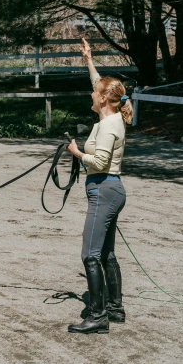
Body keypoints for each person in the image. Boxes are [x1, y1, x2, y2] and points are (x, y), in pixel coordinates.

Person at [64, 37, 133, 334]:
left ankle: (97, 316)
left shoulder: (107, 127)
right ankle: (115, 308)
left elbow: (100, 161)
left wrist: (77, 153)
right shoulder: (114, 115)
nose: (91, 95)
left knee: (89, 254)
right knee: (106, 254)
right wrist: (89, 60)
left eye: (95, 93)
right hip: (111, 189)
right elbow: (100, 83)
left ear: (103, 99)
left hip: (103, 188)